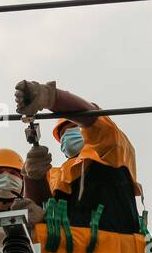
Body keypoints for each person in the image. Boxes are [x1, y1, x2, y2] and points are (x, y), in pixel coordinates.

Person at [15, 80, 141, 234]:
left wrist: (50, 97)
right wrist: (33, 177)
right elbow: (45, 212)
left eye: (75, 127)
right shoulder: (57, 177)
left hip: (116, 247)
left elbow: (93, 117)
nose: (68, 135)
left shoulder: (111, 149)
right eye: (63, 134)